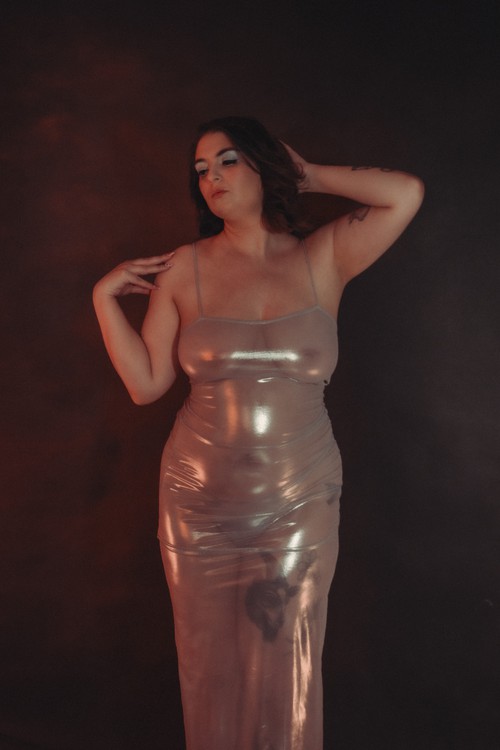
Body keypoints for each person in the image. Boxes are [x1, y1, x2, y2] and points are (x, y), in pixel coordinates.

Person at [93, 116, 424, 750]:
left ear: (264, 166)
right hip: (198, 502)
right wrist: (104, 301)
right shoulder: (184, 267)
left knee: (289, 665)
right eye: (200, 170)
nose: (211, 178)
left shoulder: (323, 257)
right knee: (208, 668)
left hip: (300, 497)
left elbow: (404, 193)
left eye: (227, 161)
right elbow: (147, 384)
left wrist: (310, 175)